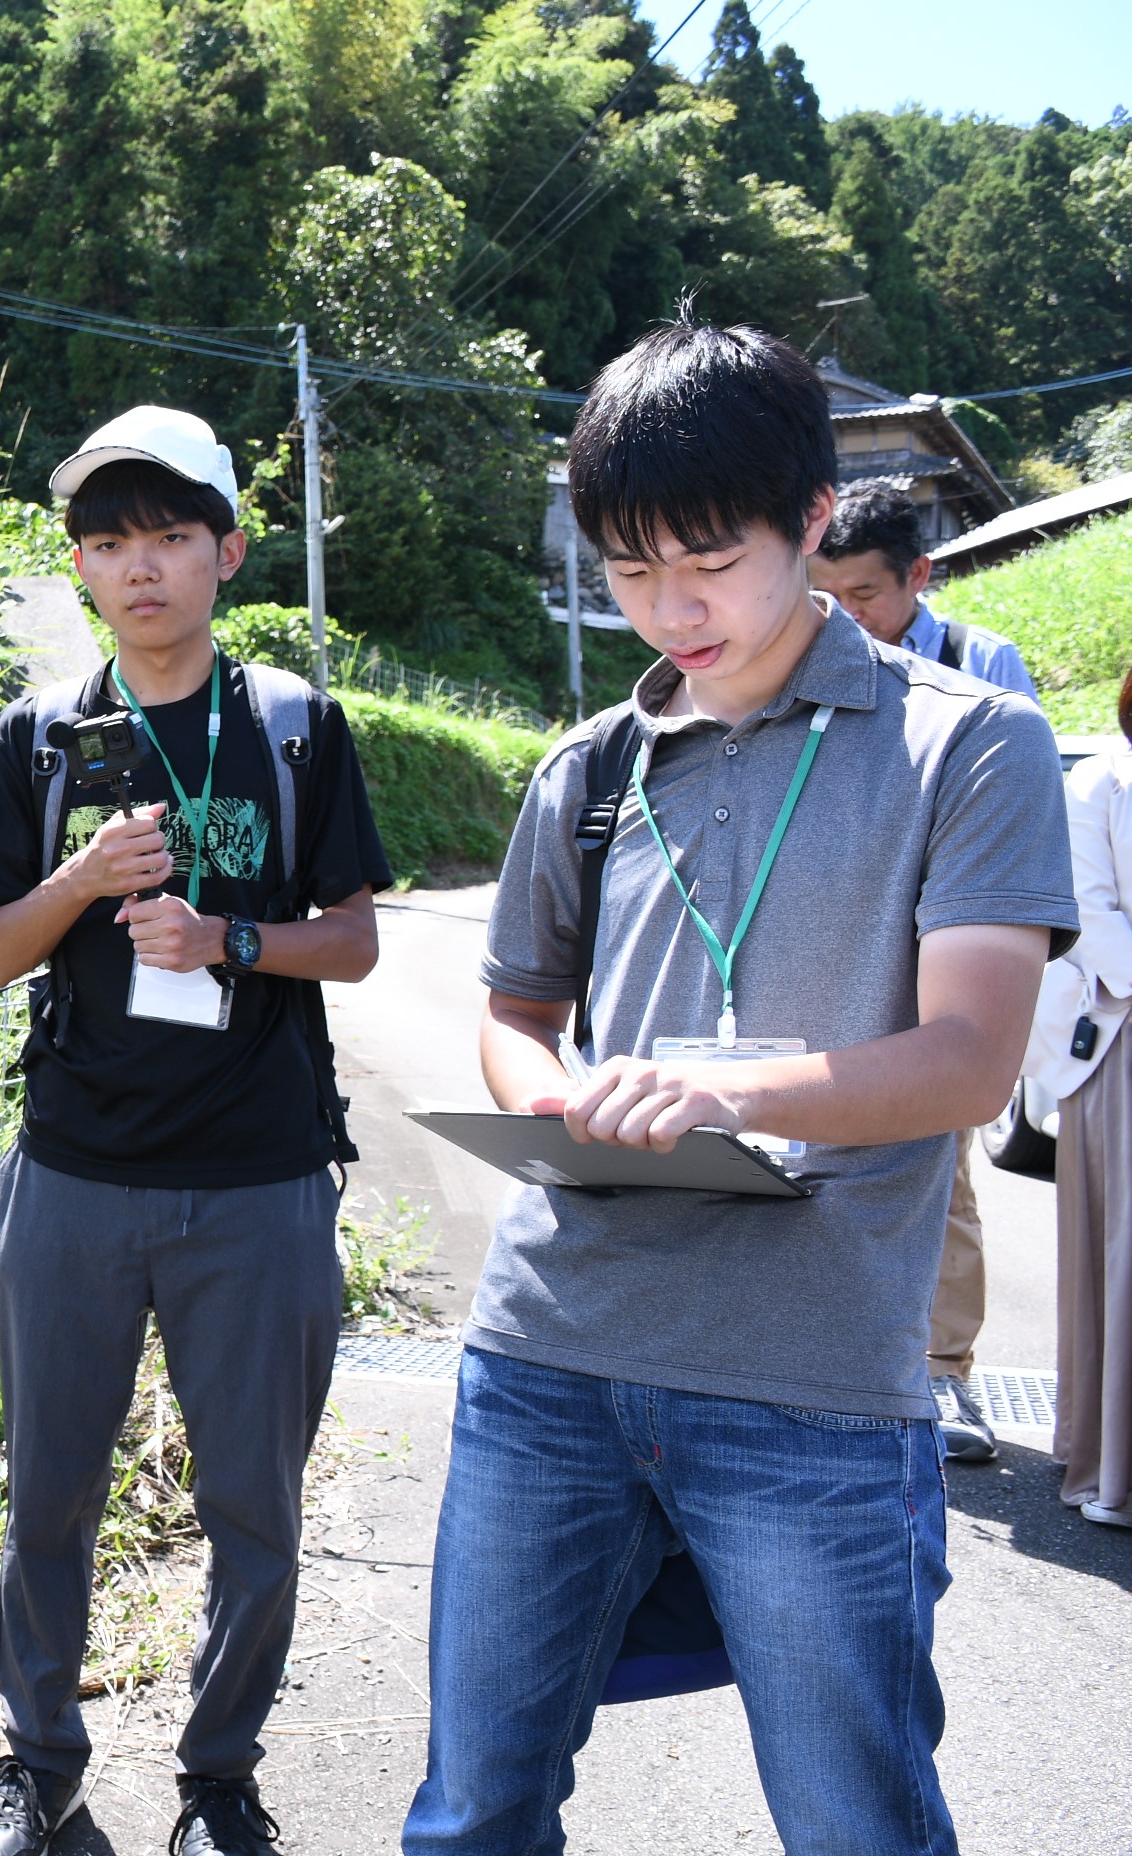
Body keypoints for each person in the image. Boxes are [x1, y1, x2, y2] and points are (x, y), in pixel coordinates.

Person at [406, 317, 1074, 1855]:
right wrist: (559, 1102)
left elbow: (970, 1061)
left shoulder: (968, 747)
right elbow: (516, 1013)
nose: (669, 607)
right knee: (471, 1810)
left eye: (707, 559)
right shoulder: (588, 767)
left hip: (815, 1384)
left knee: (857, 1821)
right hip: (549, 1357)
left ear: (814, 519)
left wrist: (726, 1091)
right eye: (629, 571)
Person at [0, 406, 390, 1856]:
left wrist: (232, 940)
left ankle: (221, 1779)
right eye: (113, 543)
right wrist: (76, 881)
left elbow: (358, 944)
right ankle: (37, 1765)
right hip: (74, 1174)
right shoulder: (35, 736)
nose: (144, 569)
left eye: (173, 538)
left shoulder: (297, 727)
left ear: (227, 553)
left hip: (259, 1180)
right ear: (80, 566)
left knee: (251, 1504)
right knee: (49, 1492)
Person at [812, 475, 1042, 1464]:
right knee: (811, 1157)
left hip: (942, 950)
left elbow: (1010, 837)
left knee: (939, 1171)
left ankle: (944, 1374)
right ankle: (840, 1361)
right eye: (829, 593)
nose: (844, 615)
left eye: (863, 595)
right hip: (831, 944)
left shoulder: (985, 670)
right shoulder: (807, 658)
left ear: (919, 575)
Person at [1030, 669, 1132, 1529]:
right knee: (1121, 1255)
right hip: (1125, 1036)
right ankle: (1113, 1467)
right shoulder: (1102, 778)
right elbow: (1091, 918)